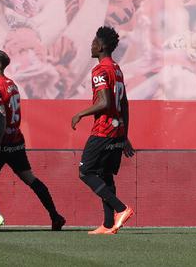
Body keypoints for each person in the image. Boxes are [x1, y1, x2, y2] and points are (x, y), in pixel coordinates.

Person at [0, 48, 65, 231]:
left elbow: (0, 115)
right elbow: (7, 114)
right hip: (16, 141)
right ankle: (55, 216)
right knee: (30, 178)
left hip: (3, 143)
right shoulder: (11, 84)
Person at [71, 26, 135, 235]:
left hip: (104, 130)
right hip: (117, 132)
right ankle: (109, 225)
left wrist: (80, 113)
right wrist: (124, 135)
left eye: (94, 42)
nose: (92, 45)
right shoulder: (116, 68)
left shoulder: (100, 69)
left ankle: (121, 208)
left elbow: (105, 102)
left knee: (85, 171)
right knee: (105, 174)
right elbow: (123, 104)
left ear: (102, 46)